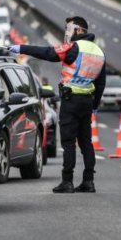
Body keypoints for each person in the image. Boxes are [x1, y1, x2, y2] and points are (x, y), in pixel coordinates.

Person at [8, 16, 106, 193]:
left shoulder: (73, 47)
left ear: (78, 30)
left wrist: (22, 48)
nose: (67, 33)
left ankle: (67, 181)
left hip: (71, 101)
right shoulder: (99, 52)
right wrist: (95, 105)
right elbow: (100, 83)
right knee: (86, 143)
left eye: (69, 29)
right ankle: (88, 181)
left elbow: (48, 53)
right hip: (87, 101)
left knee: (68, 143)